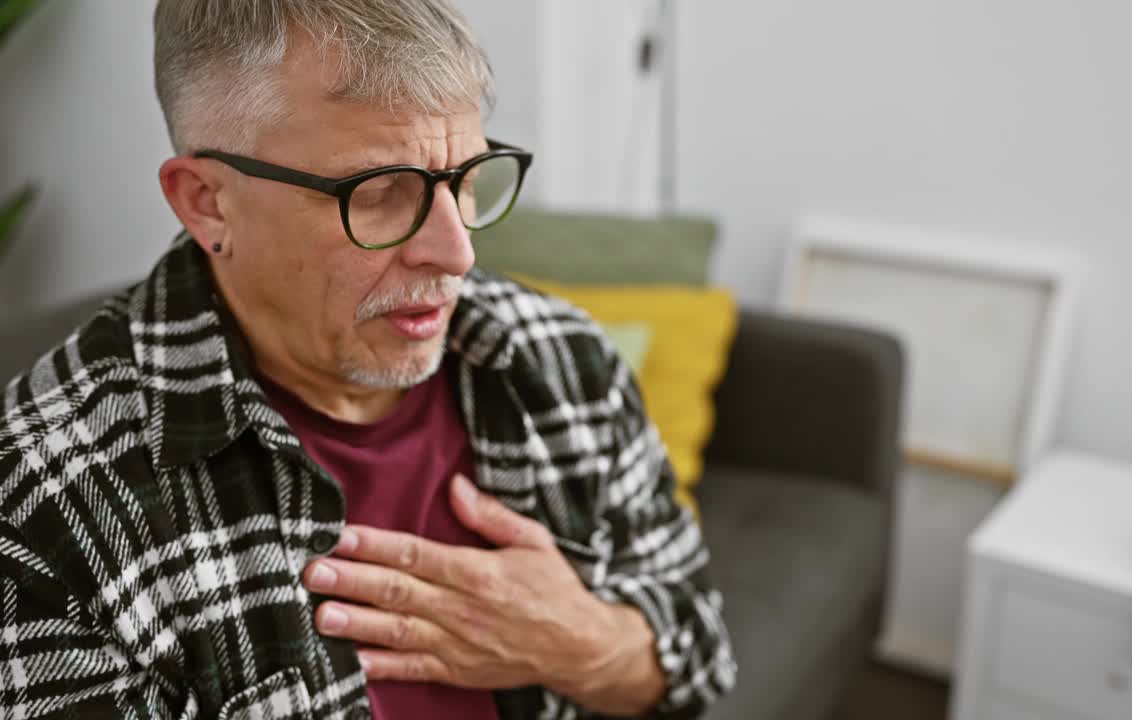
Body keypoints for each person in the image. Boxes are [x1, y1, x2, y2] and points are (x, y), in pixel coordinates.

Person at [0, 1, 735, 717]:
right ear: (207, 203)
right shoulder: (45, 497)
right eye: (382, 193)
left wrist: (582, 643)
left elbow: (699, 661)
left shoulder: (564, 358)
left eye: (467, 180)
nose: (458, 252)